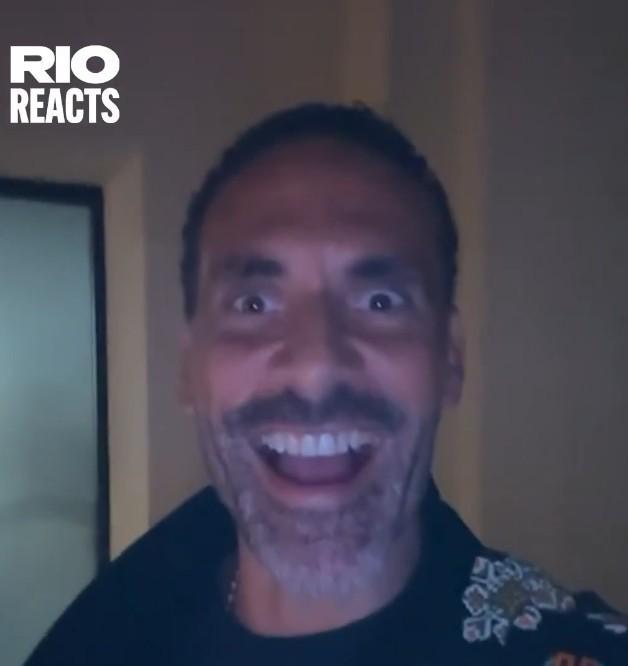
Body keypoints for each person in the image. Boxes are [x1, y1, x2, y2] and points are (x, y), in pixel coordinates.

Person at [25, 103, 627, 665]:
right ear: (189, 367)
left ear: (450, 359)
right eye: (254, 303)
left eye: (380, 301)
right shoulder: (107, 635)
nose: (315, 369)